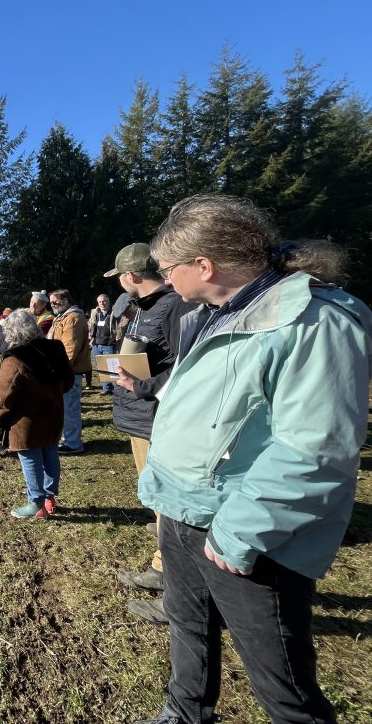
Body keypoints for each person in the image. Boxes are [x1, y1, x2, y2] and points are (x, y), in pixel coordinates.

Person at [132, 195, 371, 724]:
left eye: (170, 269)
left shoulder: (312, 321)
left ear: (204, 265)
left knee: (280, 677)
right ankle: (185, 710)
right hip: (183, 509)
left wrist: (239, 531)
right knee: (188, 625)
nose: (166, 281)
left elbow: (316, 447)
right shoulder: (219, 313)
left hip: (244, 528)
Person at [100, 243, 195, 625]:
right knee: (155, 495)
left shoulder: (176, 307)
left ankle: (181, 591)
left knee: (169, 501)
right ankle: (161, 567)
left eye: (121, 277)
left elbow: (185, 367)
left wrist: (141, 386)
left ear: (131, 275)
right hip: (140, 416)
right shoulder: (143, 308)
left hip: (158, 416)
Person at [0, 309, 73, 519]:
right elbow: (68, 380)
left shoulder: (15, 358)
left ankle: (35, 502)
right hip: (53, 413)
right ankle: (49, 497)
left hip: (25, 420)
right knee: (50, 453)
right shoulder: (56, 348)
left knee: (31, 459)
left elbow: (4, 394)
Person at [46, 289, 90, 454]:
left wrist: (60, 371)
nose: (52, 305)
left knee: (70, 409)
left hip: (68, 373)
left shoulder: (73, 318)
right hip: (63, 370)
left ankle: (73, 444)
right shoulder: (63, 317)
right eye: (51, 303)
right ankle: (67, 439)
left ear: (65, 300)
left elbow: (69, 348)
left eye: (55, 302)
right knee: (64, 408)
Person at [87, 293, 118, 393]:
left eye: (104, 301)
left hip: (109, 345)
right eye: (100, 302)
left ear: (108, 302)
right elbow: (91, 327)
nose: (102, 303)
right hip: (96, 344)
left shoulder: (115, 313)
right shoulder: (95, 313)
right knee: (100, 367)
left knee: (112, 367)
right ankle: (106, 388)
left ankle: (117, 388)